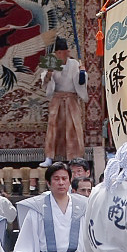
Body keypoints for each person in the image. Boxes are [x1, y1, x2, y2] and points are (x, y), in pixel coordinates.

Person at [39, 37, 88, 167]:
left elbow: (81, 81)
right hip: (57, 98)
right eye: (58, 52)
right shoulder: (51, 62)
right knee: (53, 127)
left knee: (73, 127)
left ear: (68, 52)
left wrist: (82, 72)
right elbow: (45, 80)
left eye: (63, 52)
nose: (60, 55)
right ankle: (49, 156)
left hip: (71, 98)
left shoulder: (74, 64)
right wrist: (49, 73)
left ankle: (74, 157)